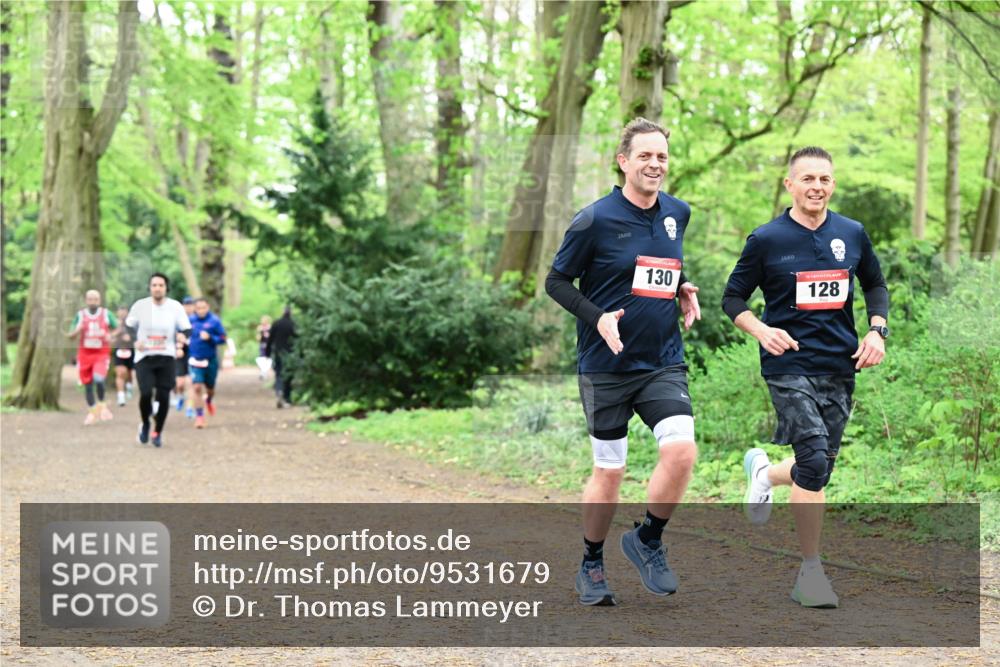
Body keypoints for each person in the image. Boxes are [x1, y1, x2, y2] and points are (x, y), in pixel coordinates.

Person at [721, 146, 889, 608]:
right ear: (790, 184)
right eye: (808, 179)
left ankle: (765, 473)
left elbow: (874, 284)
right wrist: (761, 330)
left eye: (825, 180)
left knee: (819, 470)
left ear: (833, 184)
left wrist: (877, 330)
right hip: (788, 363)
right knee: (813, 458)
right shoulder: (767, 239)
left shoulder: (851, 233)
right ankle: (810, 574)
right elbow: (733, 298)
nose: (817, 187)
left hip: (841, 364)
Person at [545, 118, 702, 606]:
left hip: (661, 361)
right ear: (623, 161)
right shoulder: (593, 219)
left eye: (662, 156)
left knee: (682, 451)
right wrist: (598, 319)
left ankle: (648, 539)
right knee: (609, 472)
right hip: (605, 365)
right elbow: (557, 282)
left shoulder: (678, 212)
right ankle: (591, 562)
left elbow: (654, 265)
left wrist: (681, 288)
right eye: (645, 156)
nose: (655, 164)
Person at [125, 273, 192, 447]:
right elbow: (129, 325)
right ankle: (146, 423)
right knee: (146, 393)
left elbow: (186, 328)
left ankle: (158, 431)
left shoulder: (175, 307)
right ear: (150, 287)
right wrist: (135, 340)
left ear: (166, 288)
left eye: (161, 285)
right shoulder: (140, 306)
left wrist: (182, 337)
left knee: (163, 395)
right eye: (154, 285)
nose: (157, 288)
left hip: (167, 357)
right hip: (145, 357)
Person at [66, 290, 117, 425]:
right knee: (87, 384)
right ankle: (92, 412)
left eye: (95, 299)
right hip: (85, 354)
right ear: (86, 300)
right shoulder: (80, 315)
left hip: (101, 353)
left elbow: (117, 328)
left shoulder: (106, 314)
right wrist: (78, 330)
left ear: (99, 300)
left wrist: (110, 336)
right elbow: (70, 335)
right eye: (90, 299)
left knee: (99, 379)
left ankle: (102, 404)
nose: (92, 302)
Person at [187, 297, 227, 429]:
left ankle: (209, 400)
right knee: (197, 386)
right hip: (194, 359)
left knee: (210, 388)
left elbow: (223, 338)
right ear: (195, 309)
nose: (201, 310)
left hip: (210, 360)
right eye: (198, 308)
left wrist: (211, 338)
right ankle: (199, 416)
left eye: (203, 308)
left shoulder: (214, 321)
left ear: (208, 307)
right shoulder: (190, 320)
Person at [266, 306, 296, 408]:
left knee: (279, 373)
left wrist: (267, 353)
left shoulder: (276, 323)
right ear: (290, 313)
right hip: (290, 354)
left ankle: (279, 391)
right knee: (288, 375)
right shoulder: (293, 324)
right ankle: (287, 398)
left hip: (278, 352)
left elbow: (270, 340)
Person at [173, 296, 195, 416]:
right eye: (186, 305)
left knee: (190, 382)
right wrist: (178, 346)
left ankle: (189, 408)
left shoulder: (196, 320)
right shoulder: (177, 320)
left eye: (190, 305)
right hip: (180, 354)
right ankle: (180, 396)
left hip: (193, 354)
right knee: (180, 383)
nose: (188, 308)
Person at [110, 306, 135, 407]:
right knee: (121, 372)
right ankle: (121, 396)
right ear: (117, 313)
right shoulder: (114, 324)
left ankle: (129, 386)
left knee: (129, 373)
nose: (122, 314)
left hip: (131, 351)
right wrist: (118, 333)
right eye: (120, 312)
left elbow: (137, 337)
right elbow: (110, 338)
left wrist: (130, 338)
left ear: (127, 313)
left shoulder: (132, 325)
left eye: (124, 312)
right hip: (118, 351)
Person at [256, 315, 272, 380]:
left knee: (267, 359)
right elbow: (258, 338)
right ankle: (263, 373)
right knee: (261, 359)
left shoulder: (270, 327)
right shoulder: (260, 328)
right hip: (262, 344)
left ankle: (264, 373)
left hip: (268, 345)